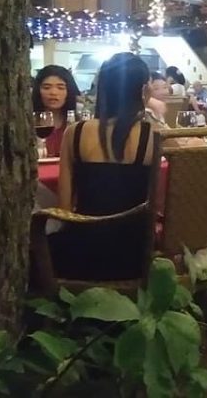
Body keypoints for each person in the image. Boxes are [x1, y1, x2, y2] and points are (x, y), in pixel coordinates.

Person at [50, 53, 159, 281]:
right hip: (134, 255)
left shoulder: (75, 132)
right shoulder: (153, 135)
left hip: (79, 254)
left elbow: (64, 208)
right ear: (143, 90)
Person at [32, 65, 81, 157]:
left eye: (60, 88)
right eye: (46, 88)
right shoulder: (28, 123)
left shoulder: (78, 123)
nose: (53, 93)